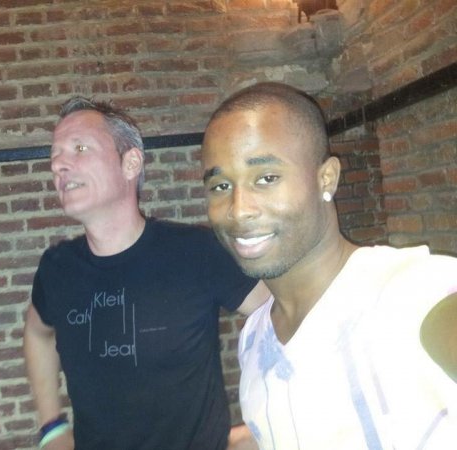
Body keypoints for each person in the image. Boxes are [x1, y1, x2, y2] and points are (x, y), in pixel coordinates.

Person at [201, 82, 457, 450]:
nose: (239, 210)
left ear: (327, 178)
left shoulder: (409, 293)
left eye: (267, 178)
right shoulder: (255, 338)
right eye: (221, 186)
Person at [23, 96, 269, 450]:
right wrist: (51, 426)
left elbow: (281, 316)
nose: (59, 164)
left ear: (131, 163)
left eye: (80, 148)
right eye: (55, 154)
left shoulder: (196, 252)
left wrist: (267, 423)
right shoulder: (57, 269)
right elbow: (37, 333)